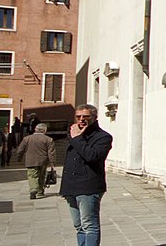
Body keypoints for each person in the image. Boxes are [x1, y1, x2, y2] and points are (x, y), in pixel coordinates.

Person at [59, 104, 113, 246]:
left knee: (90, 226)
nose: (81, 120)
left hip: (89, 187)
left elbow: (92, 156)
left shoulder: (103, 137)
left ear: (94, 118)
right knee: (79, 226)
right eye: (78, 117)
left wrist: (77, 138)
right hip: (71, 187)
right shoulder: (73, 133)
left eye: (85, 116)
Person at [14, 123, 56, 200]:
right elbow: (51, 153)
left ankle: (33, 189)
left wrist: (19, 158)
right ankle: (40, 191)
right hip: (43, 160)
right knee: (41, 175)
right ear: (44, 130)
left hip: (31, 160)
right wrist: (52, 163)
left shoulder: (27, 138)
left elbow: (20, 150)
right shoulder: (48, 139)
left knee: (32, 175)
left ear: (35, 129)